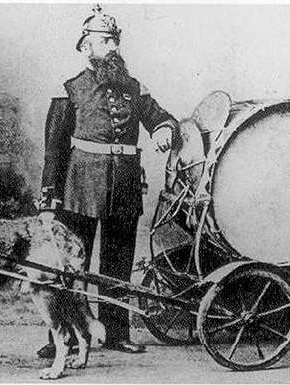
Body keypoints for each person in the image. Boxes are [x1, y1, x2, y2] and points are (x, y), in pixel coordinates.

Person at [37, 4, 177, 357]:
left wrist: (162, 129)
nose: (113, 47)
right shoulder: (69, 88)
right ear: (86, 47)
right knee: (71, 265)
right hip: (80, 187)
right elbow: (53, 148)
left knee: (118, 263)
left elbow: (162, 117)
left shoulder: (133, 87)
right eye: (104, 41)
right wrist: (49, 198)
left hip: (126, 186)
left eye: (115, 40)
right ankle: (64, 336)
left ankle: (116, 333)